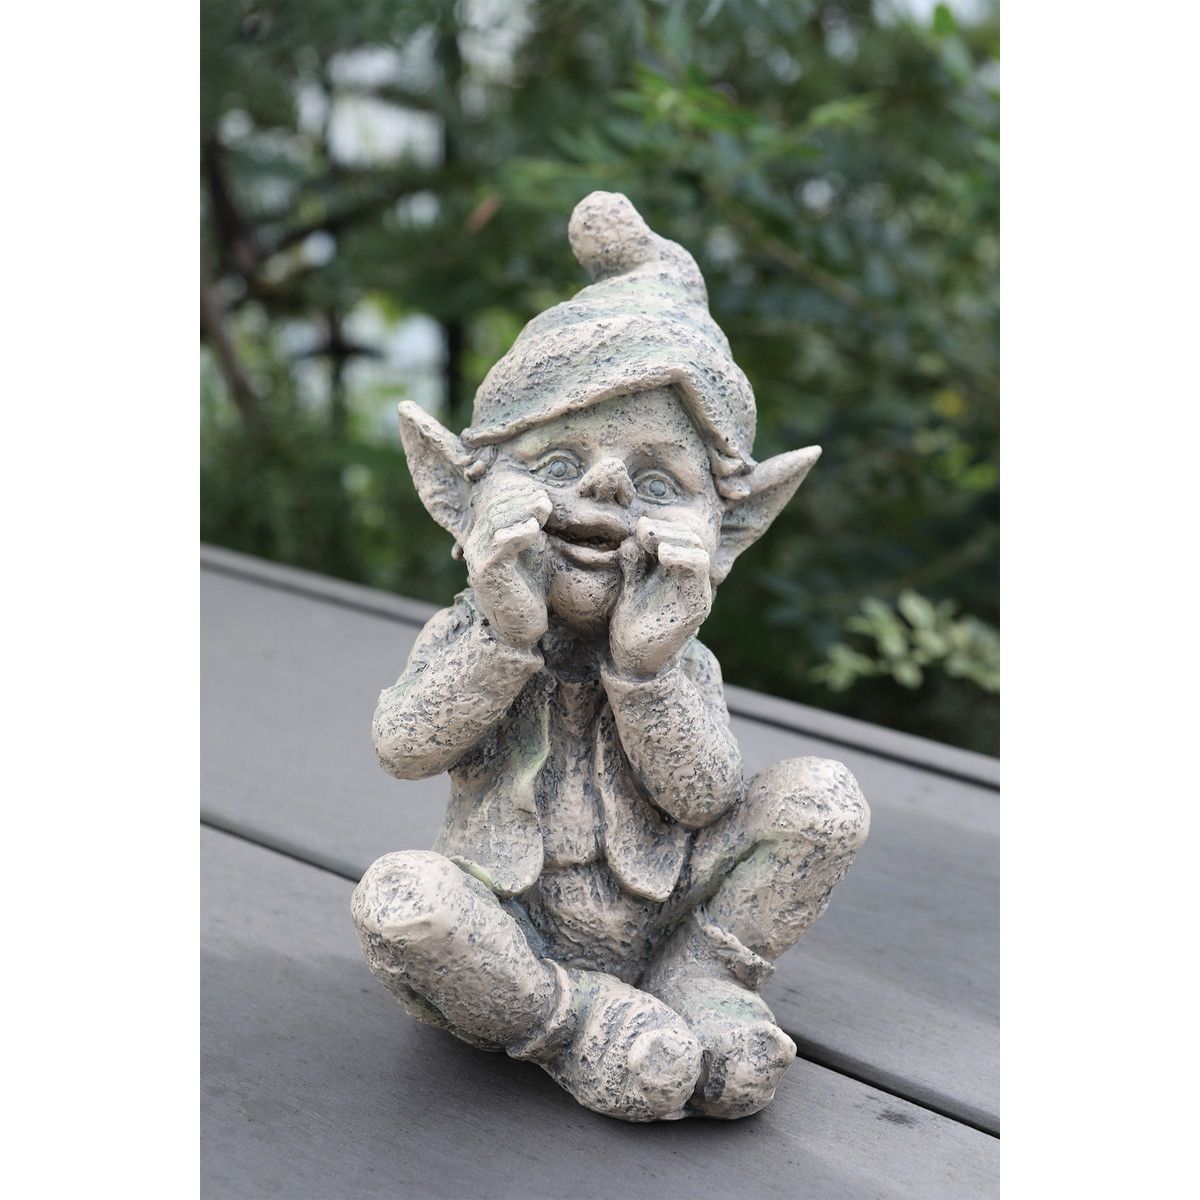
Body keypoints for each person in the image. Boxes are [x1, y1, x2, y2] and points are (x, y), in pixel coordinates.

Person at [352, 192, 869, 1122]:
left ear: (727, 531)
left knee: (823, 801)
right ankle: (574, 1022)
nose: (604, 489)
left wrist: (646, 667)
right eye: (555, 466)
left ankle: (702, 975)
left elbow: (704, 798)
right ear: (461, 497)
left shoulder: (679, 653)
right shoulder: (473, 628)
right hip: (509, 920)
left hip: (671, 901)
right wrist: (506, 637)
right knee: (403, 904)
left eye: (659, 479)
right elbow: (402, 745)